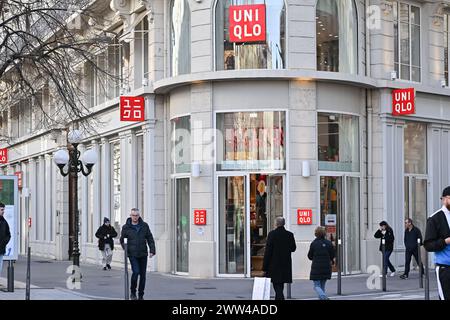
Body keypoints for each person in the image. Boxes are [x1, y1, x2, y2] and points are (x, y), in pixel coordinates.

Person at [120, 208, 155, 300]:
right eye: (133, 215)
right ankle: (132, 292)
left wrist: (152, 250)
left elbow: (150, 238)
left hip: (143, 254)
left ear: (139, 216)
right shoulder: (126, 227)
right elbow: (122, 240)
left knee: (143, 275)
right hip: (133, 254)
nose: (135, 217)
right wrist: (125, 248)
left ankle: (141, 295)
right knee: (136, 272)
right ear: (130, 216)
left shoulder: (144, 226)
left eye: (136, 215)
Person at [424, 186, 450, 300]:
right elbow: (428, 245)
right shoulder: (434, 218)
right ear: (444, 199)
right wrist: (445, 241)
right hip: (445, 268)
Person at [262, 217, 296, 300]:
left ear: (276, 224)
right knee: (281, 283)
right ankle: (279, 297)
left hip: (274, 263)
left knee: (276, 283)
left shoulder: (272, 234)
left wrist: (264, 266)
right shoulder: (289, 234)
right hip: (285, 263)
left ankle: (280, 298)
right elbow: (293, 248)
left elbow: (268, 251)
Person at [308, 226, 335, 300]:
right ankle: (322, 297)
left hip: (316, 267)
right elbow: (332, 255)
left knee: (316, 286)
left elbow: (309, 256)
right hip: (326, 267)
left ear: (316, 234)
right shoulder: (329, 243)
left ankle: (323, 297)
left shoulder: (314, 243)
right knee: (322, 286)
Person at [0, 203, 11, 277]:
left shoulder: (4, 222)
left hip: (1, 250)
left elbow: (8, 235)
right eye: (1, 210)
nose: (3, 211)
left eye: (3, 210)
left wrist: (3, 243)